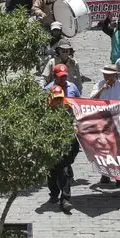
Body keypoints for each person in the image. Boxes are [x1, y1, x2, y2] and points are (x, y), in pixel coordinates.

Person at [46, 85, 80, 213]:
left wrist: (74, 127)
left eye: (60, 99)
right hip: (50, 149)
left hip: (66, 148)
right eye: (56, 99)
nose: (59, 102)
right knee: (51, 174)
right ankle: (54, 194)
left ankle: (65, 200)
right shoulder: (45, 112)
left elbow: (76, 122)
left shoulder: (68, 110)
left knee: (63, 172)